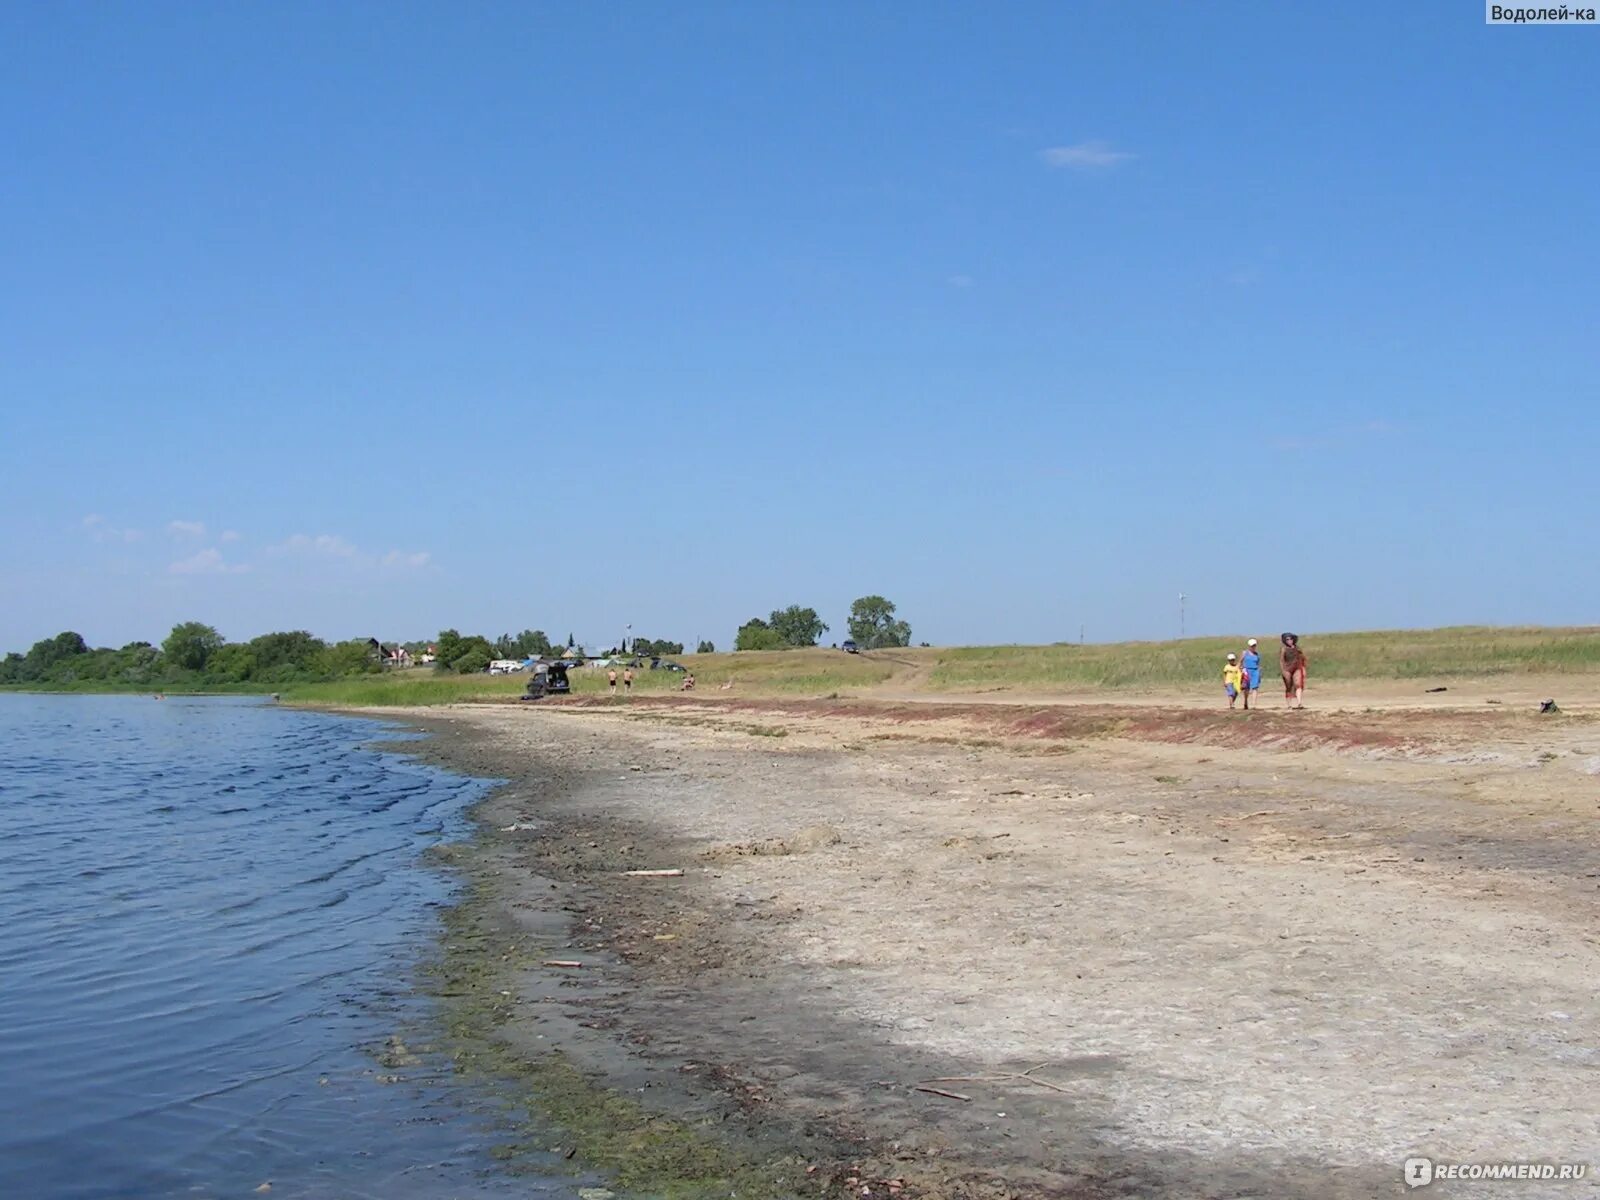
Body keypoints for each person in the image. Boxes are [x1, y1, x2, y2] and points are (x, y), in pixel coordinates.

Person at [1280, 632, 1307, 709]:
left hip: (1297, 667)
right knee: (1288, 686)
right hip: (1287, 669)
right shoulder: (1284, 649)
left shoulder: (1297, 648)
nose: (1289, 641)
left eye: (1290, 639)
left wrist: (1303, 668)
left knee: (1298, 684)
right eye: (1287, 639)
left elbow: (1302, 658)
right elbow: (1282, 660)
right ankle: (1289, 704)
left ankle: (1299, 703)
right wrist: (1283, 671)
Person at [1240, 638, 1262, 709]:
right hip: (1247, 671)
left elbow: (1258, 663)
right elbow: (1240, 662)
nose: (1253, 647)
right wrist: (1240, 669)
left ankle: (1254, 705)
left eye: (1254, 645)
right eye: (1252, 646)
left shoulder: (1257, 654)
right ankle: (1245, 702)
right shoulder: (1245, 653)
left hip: (1255, 671)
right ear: (1249, 646)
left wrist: (1259, 671)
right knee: (1246, 688)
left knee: (1255, 688)